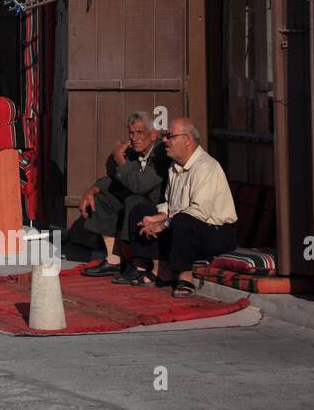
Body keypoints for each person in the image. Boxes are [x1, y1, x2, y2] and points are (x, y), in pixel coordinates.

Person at [122, 117, 238, 297]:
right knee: (140, 210)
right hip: (181, 226)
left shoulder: (206, 167)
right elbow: (170, 204)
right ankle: (158, 267)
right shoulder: (175, 166)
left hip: (215, 232)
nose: (165, 141)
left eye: (170, 136)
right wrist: (156, 218)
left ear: (188, 140)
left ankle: (185, 276)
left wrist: (164, 224)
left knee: (183, 221)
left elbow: (198, 212)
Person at [78, 112, 169, 277]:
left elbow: (139, 186)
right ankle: (114, 260)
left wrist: (120, 160)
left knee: (133, 200)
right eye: (131, 133)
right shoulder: (134, 152)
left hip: (157, 209)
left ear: (153, 135)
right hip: (137, 203)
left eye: (140, 133)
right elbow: (116, 179)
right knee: (101, 199)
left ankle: (140, 262)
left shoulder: (160, 154)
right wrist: (93, 189)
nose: (134, 138)